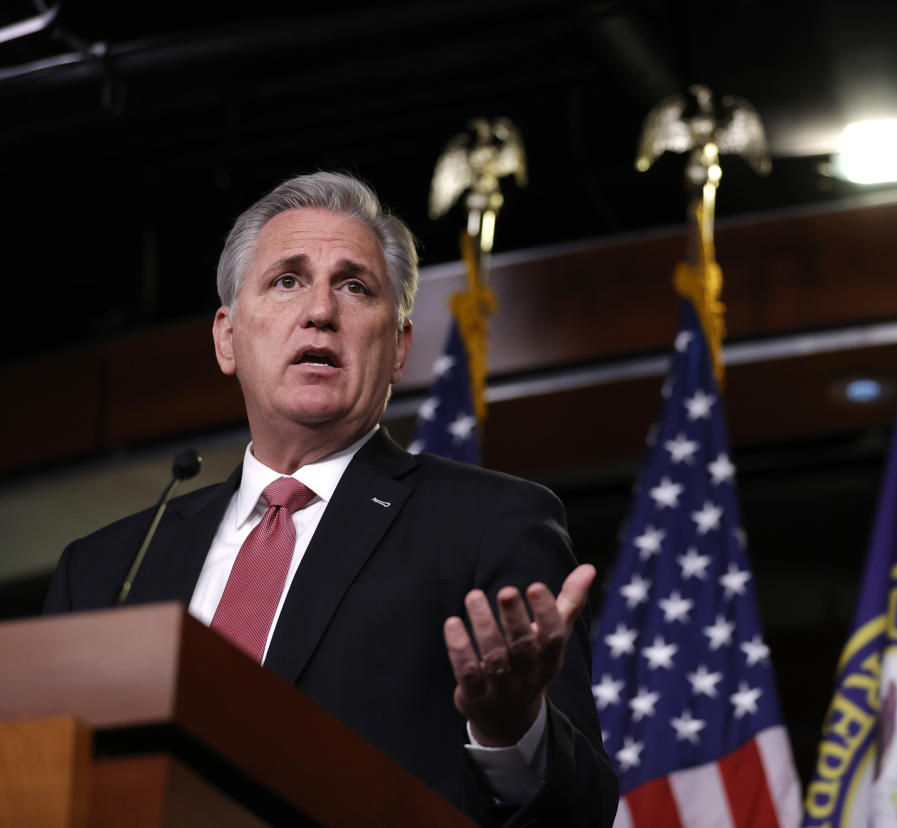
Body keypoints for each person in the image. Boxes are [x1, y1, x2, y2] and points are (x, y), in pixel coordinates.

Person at [43, 172, 619, 827]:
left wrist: (513, 732)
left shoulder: (489, 525)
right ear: (227, 338)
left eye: (355, 286)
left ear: (399, 346)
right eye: (287, 280)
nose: (320, 310)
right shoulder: (103, 570)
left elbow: (583, 812)